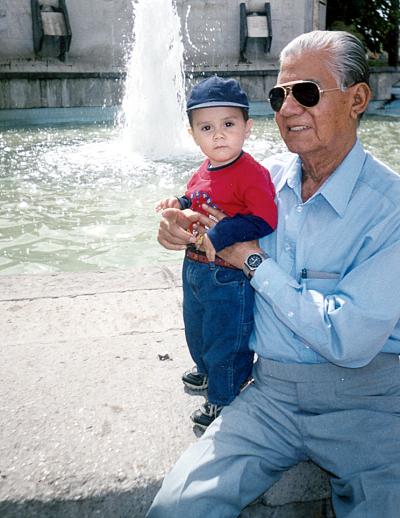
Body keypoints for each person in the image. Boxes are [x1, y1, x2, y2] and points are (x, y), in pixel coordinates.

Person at [147, 30, 400, 518]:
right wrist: (178, 229)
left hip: (371, 402)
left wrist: (254, 261)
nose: (287, 109)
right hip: (269, 395)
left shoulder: (391, 208)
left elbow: (347, 338)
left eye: (306, 92)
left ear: (358, 99)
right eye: (279, 95)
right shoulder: (257, 182)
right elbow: (202, 226)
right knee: (176, 509)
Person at [156, 75, 277, 429]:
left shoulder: (251, 173)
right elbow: (196, 196)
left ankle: (224, 399)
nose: (219, 134)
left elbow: (265, 218)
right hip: (195, 268)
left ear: (247, 127)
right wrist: (177, 202)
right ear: (193, 134)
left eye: (228, 124)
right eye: (207, 127)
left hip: (228, 275)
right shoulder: (204, 168)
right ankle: (207, 372)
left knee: (227, 339)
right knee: (197, 329)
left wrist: (222, 232)